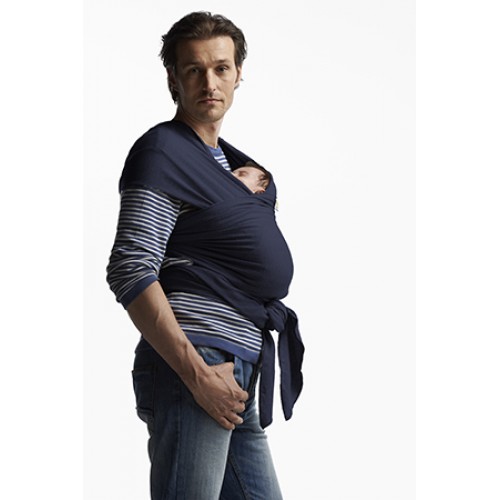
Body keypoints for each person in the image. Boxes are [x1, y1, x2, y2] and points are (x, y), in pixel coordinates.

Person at [106, 11, 304, 500]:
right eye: (194, 69)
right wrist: (195, 372)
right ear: (173, 78)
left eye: (220, 68)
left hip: (240, 365)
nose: (209, 82)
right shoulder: (164, 152)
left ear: (239, 74)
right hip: (197, 362)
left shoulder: (233, 166)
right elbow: (130, 266)